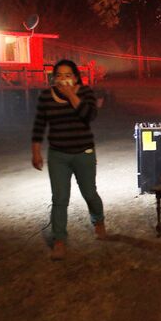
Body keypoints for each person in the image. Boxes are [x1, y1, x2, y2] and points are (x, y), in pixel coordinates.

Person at [31, 59, 105, 260]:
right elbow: (39, 124)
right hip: (58, 155)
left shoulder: (85, 92)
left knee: (89, 193)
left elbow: (89, 115)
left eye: (68, 75)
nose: (63, 79)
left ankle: (98, 220)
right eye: (59, 75)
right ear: (54, 78)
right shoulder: (46, 96)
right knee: (60, 199)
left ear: (75, 77)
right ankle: (59, 241)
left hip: (84, 153)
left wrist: (71, 95)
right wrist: (36, 150)